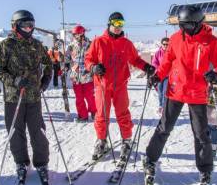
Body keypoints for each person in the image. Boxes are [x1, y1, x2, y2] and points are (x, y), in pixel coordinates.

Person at [145, 6, 217, 185]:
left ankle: (205, 168)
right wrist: (157, 75)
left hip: (198, 93)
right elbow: (166, 62)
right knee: (164, 128)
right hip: (176, 90)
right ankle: (150, 159)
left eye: (188, 25)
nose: (184, 29)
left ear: (199, 23)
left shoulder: (210, 41)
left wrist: (216, 74)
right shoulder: (176, 39)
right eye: (181, 25)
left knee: (201, 134)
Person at [0, 10, 55, 185]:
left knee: (38, 132)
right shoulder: (6, 45)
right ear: (15, 26)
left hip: (34, 97)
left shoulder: (37, 45)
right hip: (14, 98)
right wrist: (14, 80)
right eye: (25, 24)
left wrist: (45, 80)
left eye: (31, 24)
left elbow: (49, 64)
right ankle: (21, 163)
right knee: (16, 132)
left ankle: (42, 164)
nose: (29, 28)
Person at [84, 11, 155, 162]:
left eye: (121, 24)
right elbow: (88, 59)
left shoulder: (126, 43)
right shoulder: (98, 42)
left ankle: (127, 140)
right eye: (115, 24)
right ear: (109, 24)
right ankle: (101, 140)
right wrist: (93, 68)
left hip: (120, 85)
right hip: (102, 86)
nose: (118, 27)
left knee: (123, 114)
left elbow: (135, 59)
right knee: (102, 115)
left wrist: (147, 67)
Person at [66, 25, 97, 122]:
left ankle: (94, 112)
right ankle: (82, 116)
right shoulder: (71, 46)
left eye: (77, 34)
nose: (75, 36)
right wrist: (65, 64)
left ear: (82, 33)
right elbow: (67, 59)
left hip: (87, 76)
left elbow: (95, 58)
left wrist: (94, 68)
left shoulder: (90, 44)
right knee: (79, 98)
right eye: (74, 35)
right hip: (76, 77)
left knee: (90, 96)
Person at [152, 37, 169, 115]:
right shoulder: (158, 53)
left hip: (168, 75)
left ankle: (163, 107)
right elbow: (154, 63)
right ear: (161, 44)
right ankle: (160, 105)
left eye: (167, 44)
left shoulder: (171, 52)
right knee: (160, 91)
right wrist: (158, 69)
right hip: (159, 75)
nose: (166, 46)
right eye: (164, 44)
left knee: (165, 91)